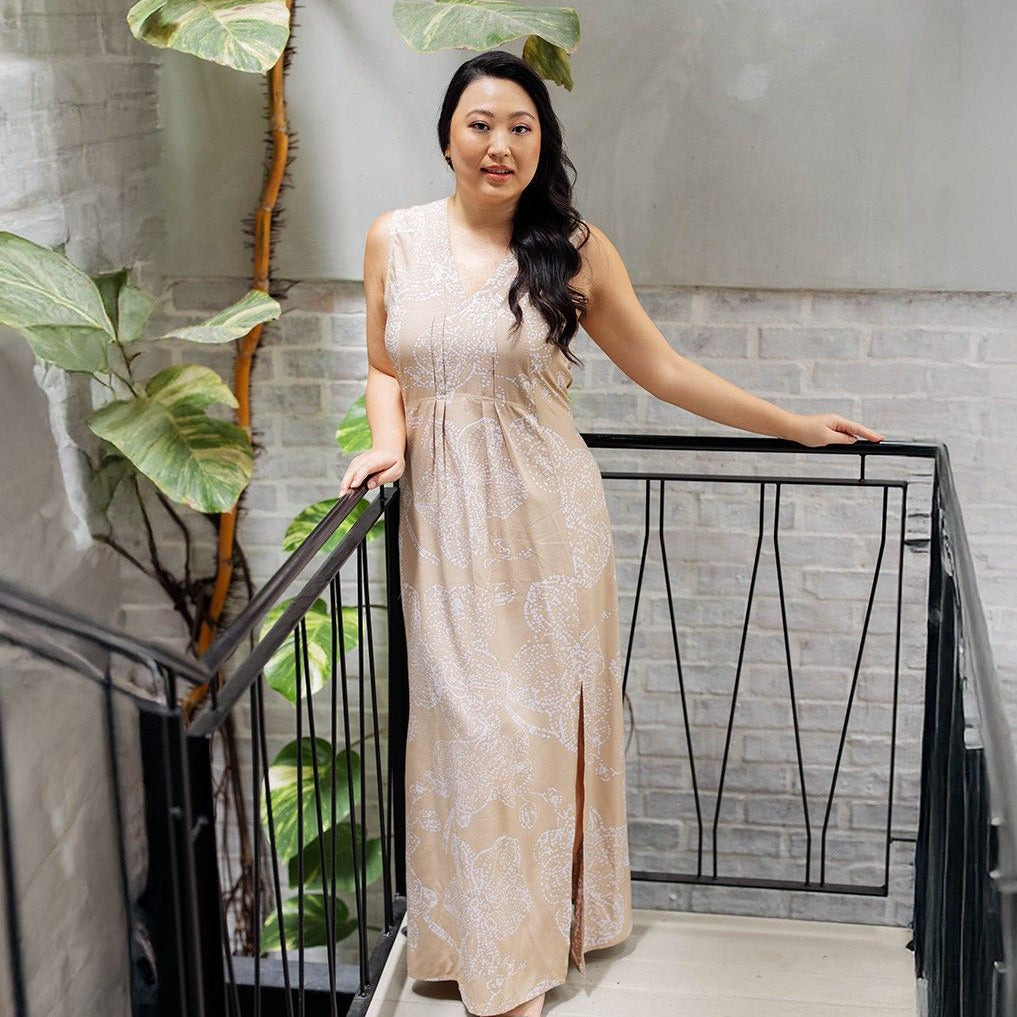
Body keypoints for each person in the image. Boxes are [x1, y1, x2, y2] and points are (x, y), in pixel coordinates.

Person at [338, 50, 884, 1017]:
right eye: (480, 123)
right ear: (447, 133)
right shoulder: (394, 237)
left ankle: (512, 968)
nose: (498, 144)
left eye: (520, 126)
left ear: (542, 141)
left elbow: (664, 371)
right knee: (467, 726)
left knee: (529, 731)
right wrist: (386, 447)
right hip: (445, 528)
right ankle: (473, 937)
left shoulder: (573, 247)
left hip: (547, 525)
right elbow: (388, 365)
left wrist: (792, 422)